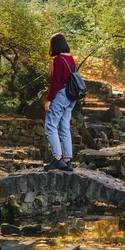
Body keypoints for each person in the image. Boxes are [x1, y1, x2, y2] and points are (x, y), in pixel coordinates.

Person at [44, 33, 76, 172]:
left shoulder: (58, 60)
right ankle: (67, 160)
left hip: (61, 95)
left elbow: (55, 82)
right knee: (64, 128)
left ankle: (57, 158)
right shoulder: (71, 59)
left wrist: (49, 99)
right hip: (71, 96)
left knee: (50, 126)